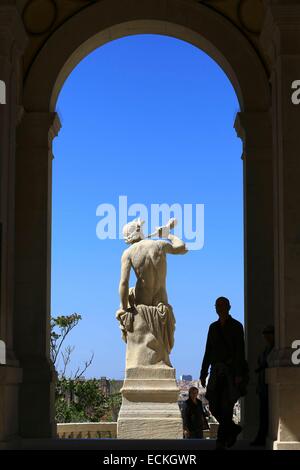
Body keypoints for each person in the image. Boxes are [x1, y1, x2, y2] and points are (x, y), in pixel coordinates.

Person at [200, 297, 247, 450]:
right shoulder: (212, 327)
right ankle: (233, 429)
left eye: (222, 305)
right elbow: (208, 351)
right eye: (217, 305)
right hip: (215, 373)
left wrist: (239, 373)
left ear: (229, 307)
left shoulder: (237, 326)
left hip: (231, 373)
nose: (219, 308)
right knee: (213, 406)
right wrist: (203, 372)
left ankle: (220, 440)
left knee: (227, 407)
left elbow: (240, 351)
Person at [250, 324, 275, 446]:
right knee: (263, 414)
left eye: (268, 333)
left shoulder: (273, 349)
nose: (266, 336)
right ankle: (261, 437)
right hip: (263, 386)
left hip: (268, 387)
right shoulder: (268, 349)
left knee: (266, 415)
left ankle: (261, 438)